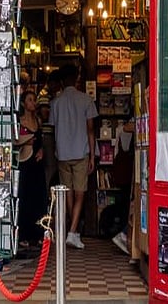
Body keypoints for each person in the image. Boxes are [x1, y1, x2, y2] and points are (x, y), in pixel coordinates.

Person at [49, 64, 97, 249]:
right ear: (77, 78)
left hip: (62, 152)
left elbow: (53, 129)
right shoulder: (86, 100)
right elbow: (91, 130)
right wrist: (93, 155)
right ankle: (73, 232)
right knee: (80, 193)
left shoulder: (56, 102)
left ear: (61, 81)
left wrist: (56, 149)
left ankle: (73, 231)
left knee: (67, 192)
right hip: (80, 151)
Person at [15, 90, 48, 257]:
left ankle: (38, 234)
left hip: (37, 163)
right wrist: (28, 140)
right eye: (29, 100)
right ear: (23, 104)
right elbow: (15, 142)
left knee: (38, 198)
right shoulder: (19, 122)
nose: (33, 103)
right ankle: (24, 235)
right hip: (25, 162)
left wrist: (41, 149)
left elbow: (41, 140)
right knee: (25, 198)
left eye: (34, 100)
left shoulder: (38, 121)